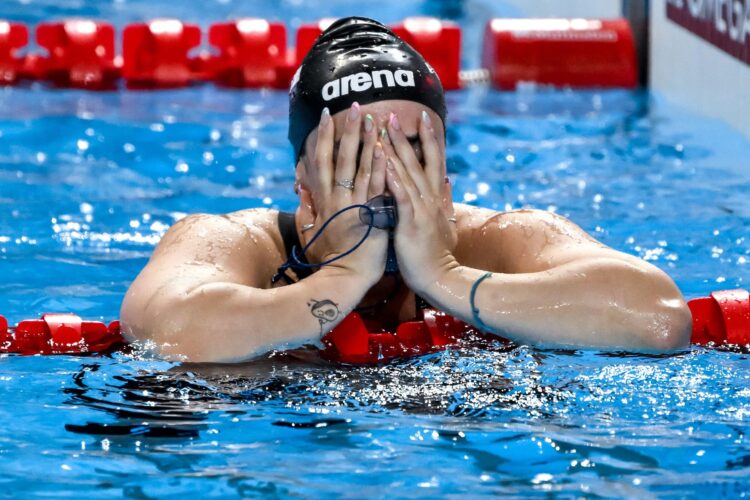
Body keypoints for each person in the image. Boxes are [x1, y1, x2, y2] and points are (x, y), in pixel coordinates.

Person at [120, 17, 692, 363]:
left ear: (445, 174)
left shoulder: (498, 241)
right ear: (304, 182)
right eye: (356, 154)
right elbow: (171, 334)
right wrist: (345, 275)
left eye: (412, 151)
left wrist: (442, 275)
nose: (387, 177)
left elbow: (658, 317)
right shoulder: (233, 245)